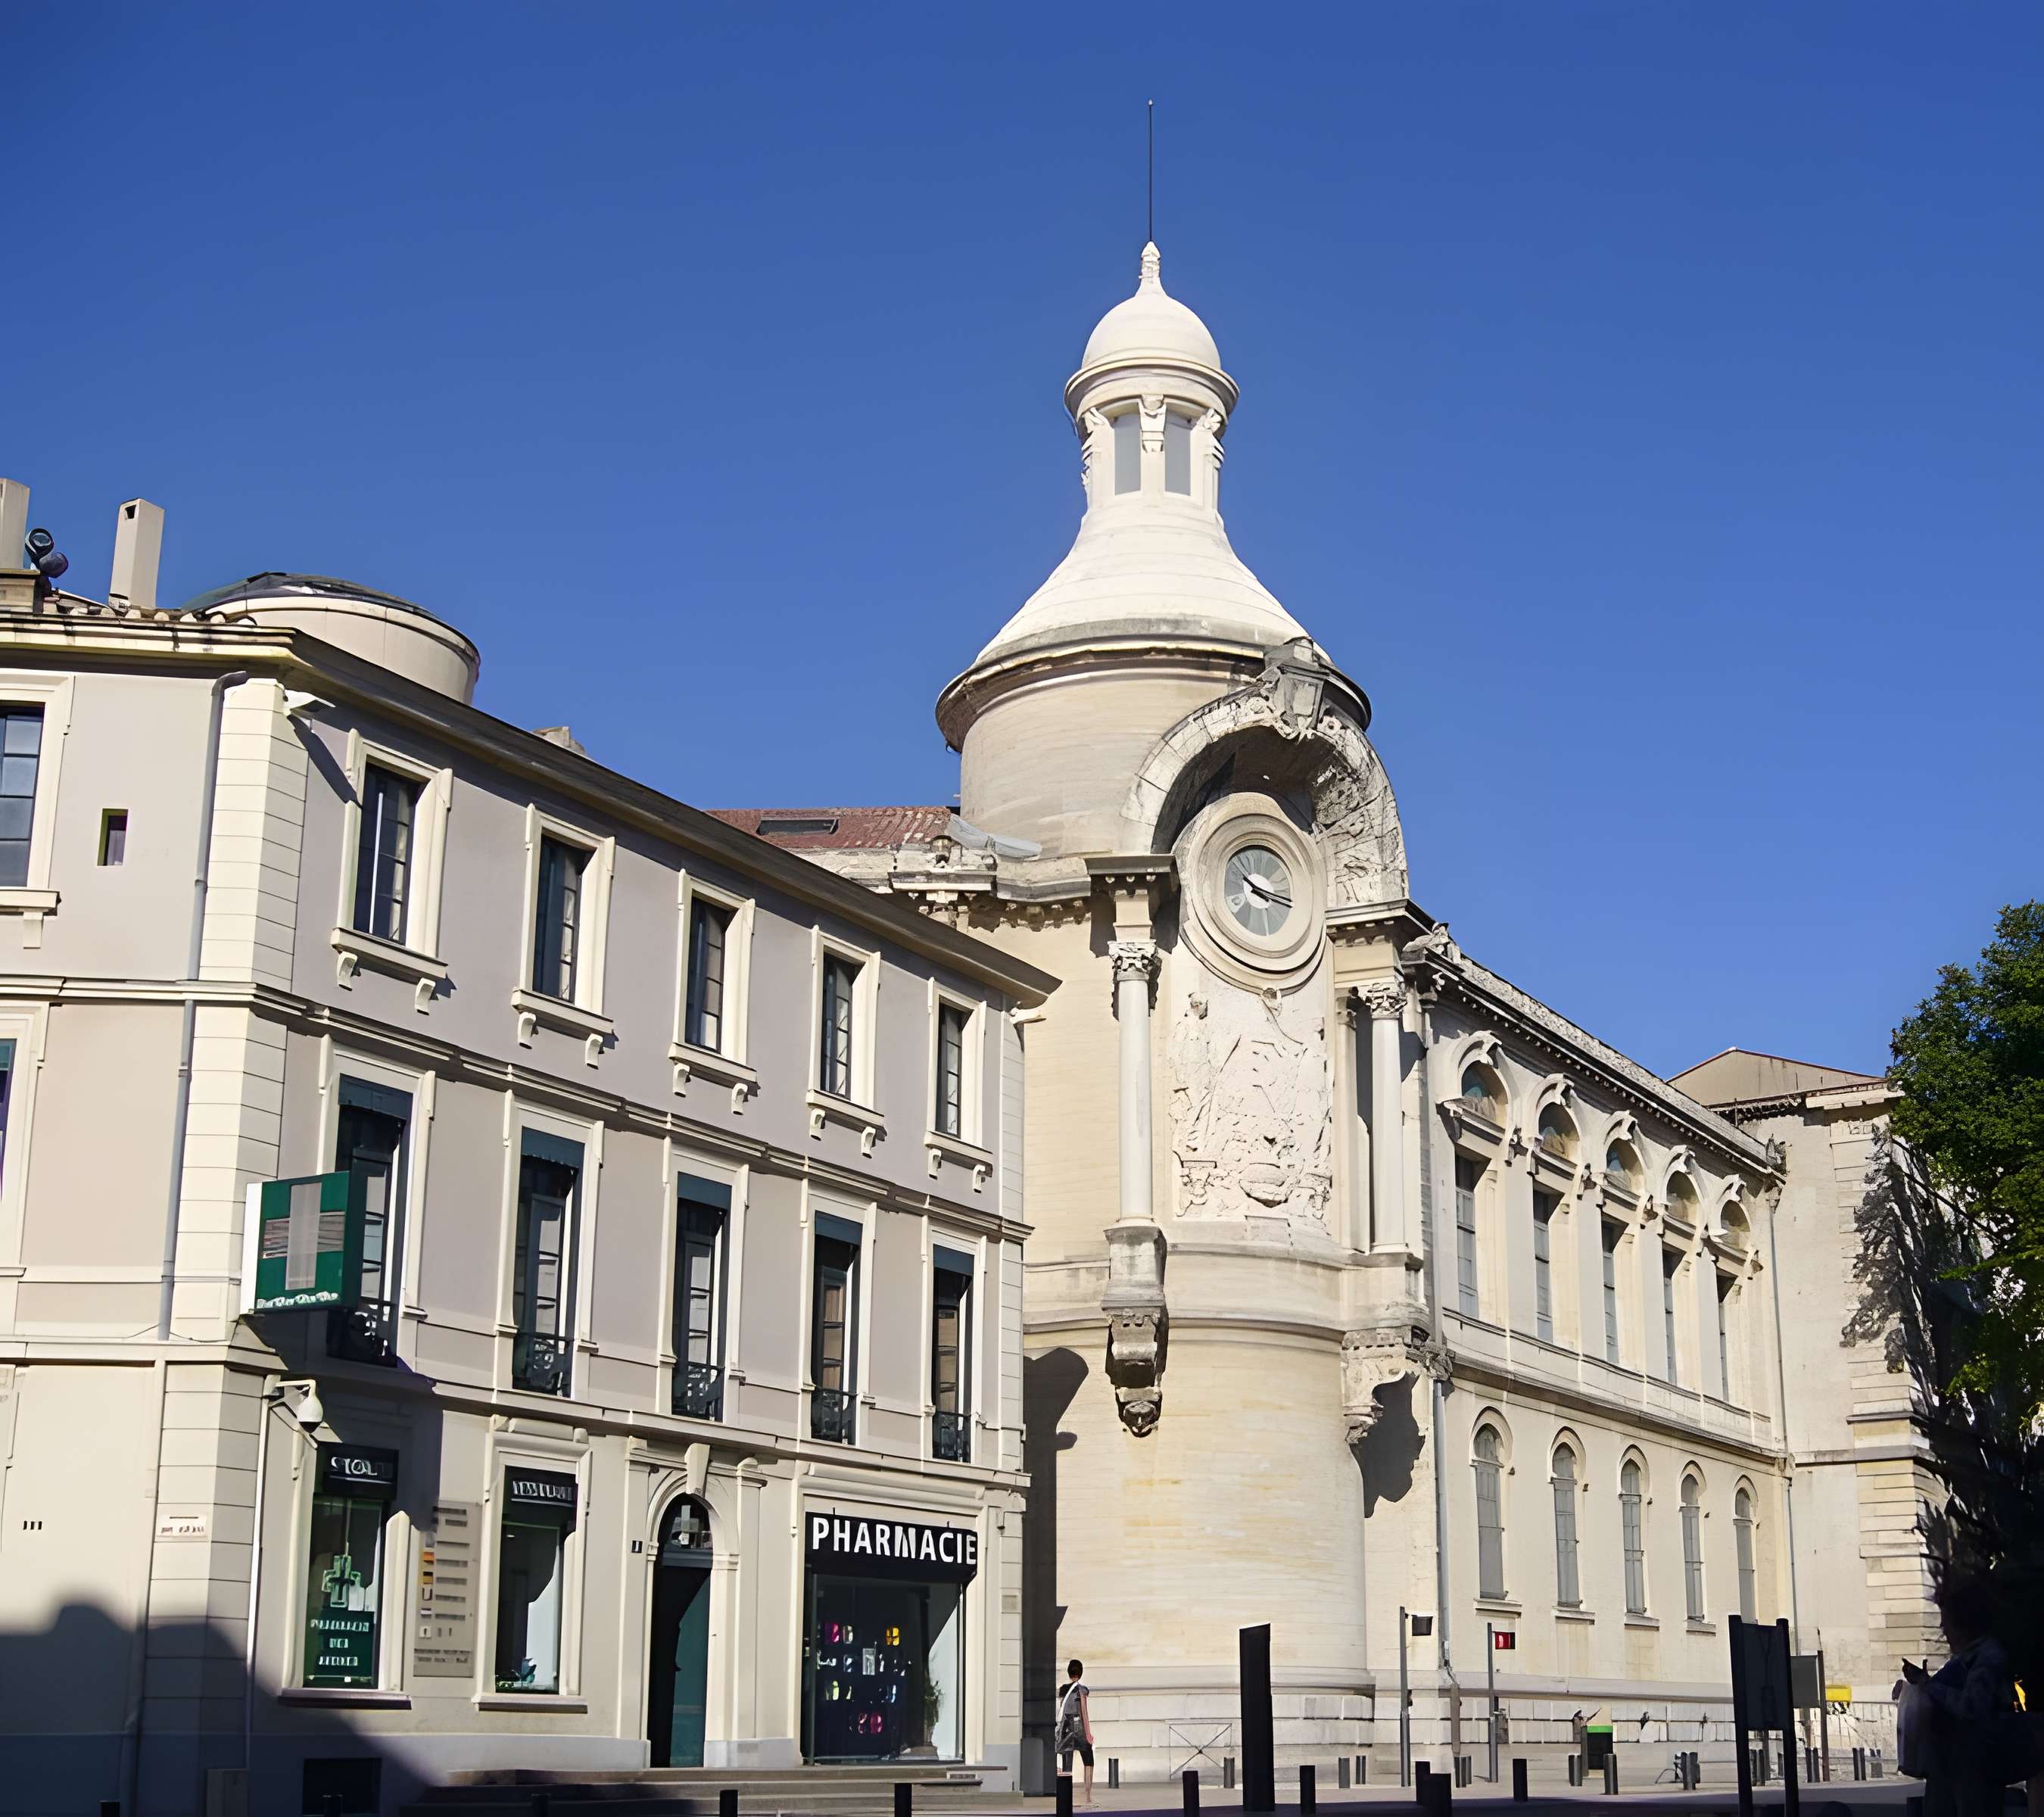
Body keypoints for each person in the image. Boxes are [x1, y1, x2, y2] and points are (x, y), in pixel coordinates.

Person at [1902, 1575, 2022, 1817]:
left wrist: (1928, 1686)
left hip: (1974, 1769)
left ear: (1963, 1622)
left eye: (1945, 1620)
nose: (1942, 1629)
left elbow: (1972, 1706)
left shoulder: (1988, 1657)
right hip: (1952, 1767)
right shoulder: (1967, 1657)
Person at [1056, 1658, 1095, 1808]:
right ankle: (1088, 1796)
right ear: (1081, 1672)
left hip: (1066, 1728)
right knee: (1088, 1760)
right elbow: (1084, 1712)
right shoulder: (1082, 1690)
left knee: (1067, 1764)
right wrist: (1088, 1734)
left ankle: (1067, 1798)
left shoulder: (1063, 1689)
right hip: (1079, 1728)